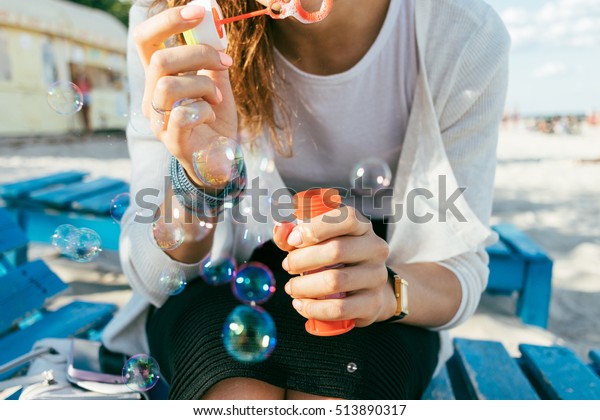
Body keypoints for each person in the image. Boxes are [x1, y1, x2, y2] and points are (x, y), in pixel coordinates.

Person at [102, 0, 510, 400]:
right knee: (237, 394)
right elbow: (155, 275)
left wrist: (387, 291)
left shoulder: (464, 31)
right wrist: (200, 178)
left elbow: (458, 269)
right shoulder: (175, 16)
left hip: (377, 291)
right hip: (216, 283)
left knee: (340, 390)